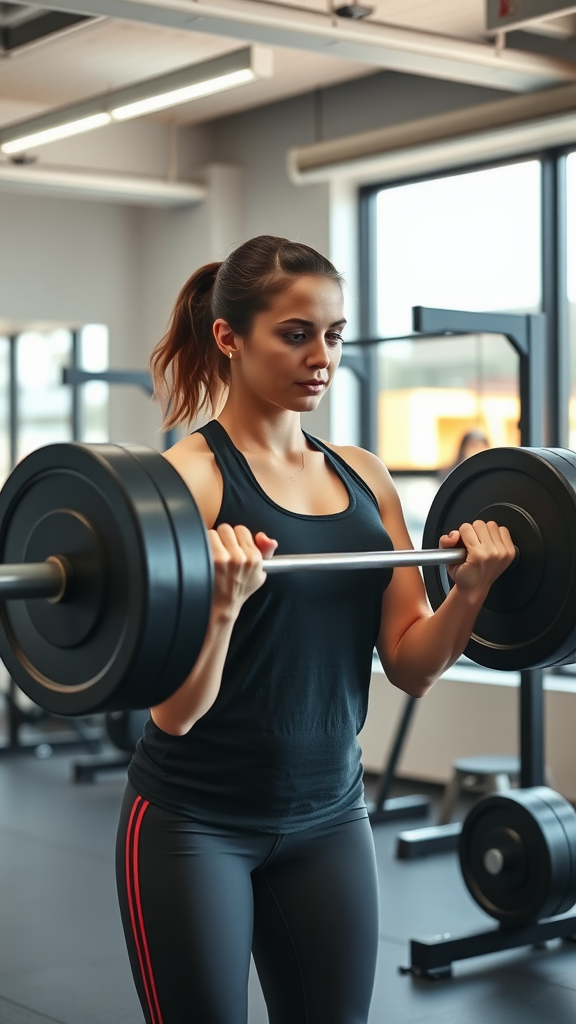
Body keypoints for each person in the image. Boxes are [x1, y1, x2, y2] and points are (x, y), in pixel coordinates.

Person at [115, 235, 515, 1024]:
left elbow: (410, 663)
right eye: (295, 334)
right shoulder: (188, 481)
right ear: (230, 337)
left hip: (330, 817)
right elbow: (174, 713)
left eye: (333, 335)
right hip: (195, 823)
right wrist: (222, 603)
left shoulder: (365, 477)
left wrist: (470, 593)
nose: (321, 356)